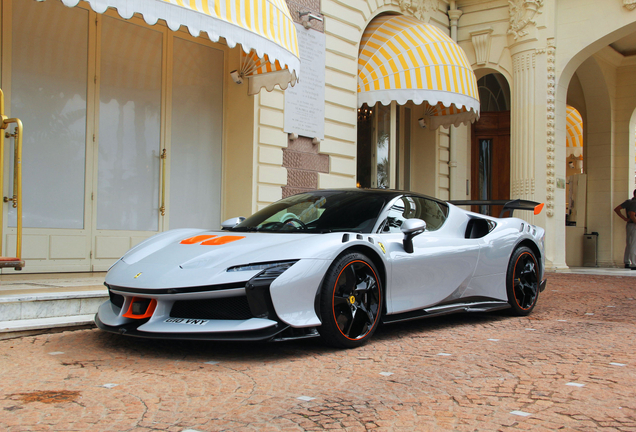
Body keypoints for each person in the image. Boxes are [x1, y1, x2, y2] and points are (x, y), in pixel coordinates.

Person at [614, 189, 636, 269]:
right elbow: (632, 214)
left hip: (629, 225)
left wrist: (624, 218)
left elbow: (617, 209)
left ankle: (627, 262)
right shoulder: (634, 203)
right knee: (634, 244)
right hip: (634, 225)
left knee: (629, 244)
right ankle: (634, 263)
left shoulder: (629, 202)